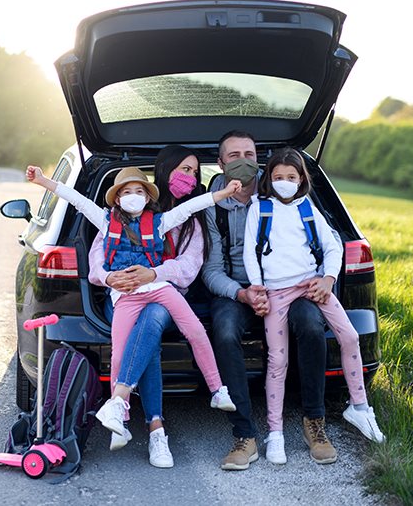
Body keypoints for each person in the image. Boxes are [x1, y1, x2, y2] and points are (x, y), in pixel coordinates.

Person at [25, 162, 241, 443]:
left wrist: (222, 194)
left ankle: (217, 389)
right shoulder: (104, 221)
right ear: (117, 198)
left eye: (140, 191)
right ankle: (120, 416)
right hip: (126, 297)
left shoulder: (161, 221)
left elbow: (190, 208)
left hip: (159, 288)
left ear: (148, 197)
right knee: (119, 353)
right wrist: (44, 181)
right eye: (127, 191)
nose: (134, 196)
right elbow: (76, 199)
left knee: (196, 330)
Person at [202, 131, 340, 470]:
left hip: (290, 287)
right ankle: (245, 436)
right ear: (220, 164)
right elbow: (211, 269)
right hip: (237, 289)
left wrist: (325, 278)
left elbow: (327, 237)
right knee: (224, 330)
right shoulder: (214, 205)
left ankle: (314, 423)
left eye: (250, 153)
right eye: (233, 155)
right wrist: (243, 293)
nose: (244, 160)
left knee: (310, 323)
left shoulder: (285, 185)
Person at [244, 147, 385, 464]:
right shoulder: (260, 208)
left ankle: (359, 407)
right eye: (278, 177)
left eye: (290, 177)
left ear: (301, 179)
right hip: (277, 293)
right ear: (268, 179)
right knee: (277, 362)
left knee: (350, 337)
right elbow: (250, 254)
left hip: (312, 286)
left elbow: (333, 247)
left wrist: (328, 280)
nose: (283, 182)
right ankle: (275, 433)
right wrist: (258, 287)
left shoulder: (307, 208)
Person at [87, 145, 215, 468]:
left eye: (195, 172)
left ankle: (124, 406)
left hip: (167, 296)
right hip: (125, 295)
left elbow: (188, 268)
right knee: (148, 336)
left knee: (154, 317)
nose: (190, 177)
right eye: (184, 169)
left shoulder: (190, 222)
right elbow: (98, 256)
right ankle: (156, 428)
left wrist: (154, 273)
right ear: (165, 171)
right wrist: (108, 277)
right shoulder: (122, 219)